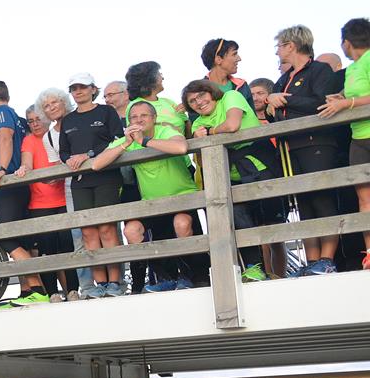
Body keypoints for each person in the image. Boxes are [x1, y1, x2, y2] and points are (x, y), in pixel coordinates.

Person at [92, 98, 203, 292]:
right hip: (151, 203)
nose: (139, 119)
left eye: (144, 115)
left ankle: (189, 276)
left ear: (154, 117)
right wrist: (126, 143)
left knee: (181, 224)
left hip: (182, 197)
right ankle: (164, 277)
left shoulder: (165, 131)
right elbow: (96, 164)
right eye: (134, 117)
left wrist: (144, 141)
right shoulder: (130, 139)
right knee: (131, 231)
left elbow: (181, 147)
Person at [185, 79, 286, 281]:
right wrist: (196, 137)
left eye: (201, 95)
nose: (198, 102)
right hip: (229, 175)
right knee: (241, 223)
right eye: (192, 101)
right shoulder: (197, 123)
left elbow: (232, 125)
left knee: (271, 223)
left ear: (211, 92)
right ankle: (254, 269)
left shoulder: (231, 96)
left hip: (260, 165)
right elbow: (200, 154)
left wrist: (211, 132)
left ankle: (279, 276)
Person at [268, 24, 346, 276]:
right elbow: (276, 110)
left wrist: (285, 100)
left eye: (279, 46)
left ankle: (327, 259)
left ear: (291, 45)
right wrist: (271, 104)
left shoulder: (319, 70)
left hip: (317, 142)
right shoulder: (285, 77)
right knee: (303, 204)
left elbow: (321, 102)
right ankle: (312, 261)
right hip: (290, 148)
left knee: (321, 198)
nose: (277, 51)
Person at [56, 73, 125, 297]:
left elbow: (118, 139)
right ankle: (100, 283)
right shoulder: (68, 120)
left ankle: (115, 282)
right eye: (74, 88)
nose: (78, 91)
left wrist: (89, 154)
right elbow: (64, 151)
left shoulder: (106, 111)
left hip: (107, 176)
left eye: (83, 87)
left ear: (93, 89)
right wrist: (69, 160)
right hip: (80, 181)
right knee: (87, 232)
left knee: (106, 228)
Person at [5, 94, 73, 306]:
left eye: (38, 119)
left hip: (63, 199)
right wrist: (24, 168)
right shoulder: (29, 140)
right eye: (30, 121)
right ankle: (52, 293)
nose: (35, 124)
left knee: (67, 249)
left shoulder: (56, 135)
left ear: (46, 118)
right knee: (46, 251)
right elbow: (27, 162)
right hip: (39, 203)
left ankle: (72, 291)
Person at [317, 17, 370, 271]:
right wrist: (341, 98)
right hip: (358, 137)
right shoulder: (351, 69)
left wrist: (347, 103)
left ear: (346, 42)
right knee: (364, 198)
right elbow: (357, 95)